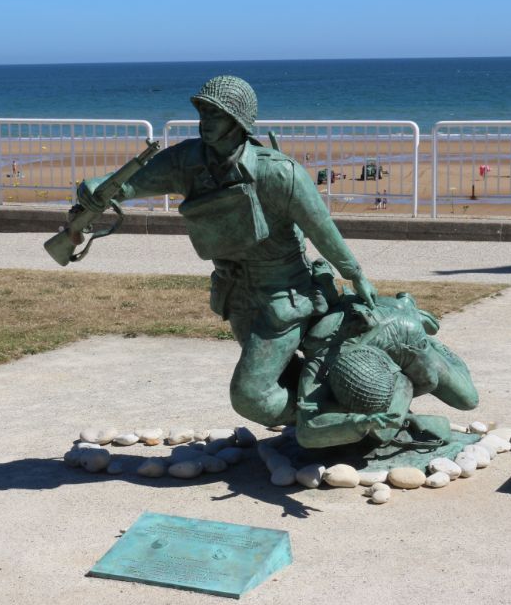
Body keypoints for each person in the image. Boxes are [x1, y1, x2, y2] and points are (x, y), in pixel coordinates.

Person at [76, 75, 377, 426]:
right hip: (235, 295)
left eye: (214, 115)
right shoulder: (187, 161)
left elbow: (323, 231)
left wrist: (355, 275)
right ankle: (326, 423)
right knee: (284, 376)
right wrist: (97, 189)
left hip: (284, 296)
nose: (205, 124)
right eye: (202, 114)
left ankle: (335, 426)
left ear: (237, 122)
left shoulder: (279, 173)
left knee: (250, 396)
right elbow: (128, 184)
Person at [295, 291, 479, 449]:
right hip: (359, 346)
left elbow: (430, 381)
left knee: (468, 400)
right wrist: (358, 423)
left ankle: (411, 312)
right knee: (384, 432)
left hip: (400, 331)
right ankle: (405, 307)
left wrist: (402, 407)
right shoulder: (316, 366)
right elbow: (305, 433)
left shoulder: (400, 336)